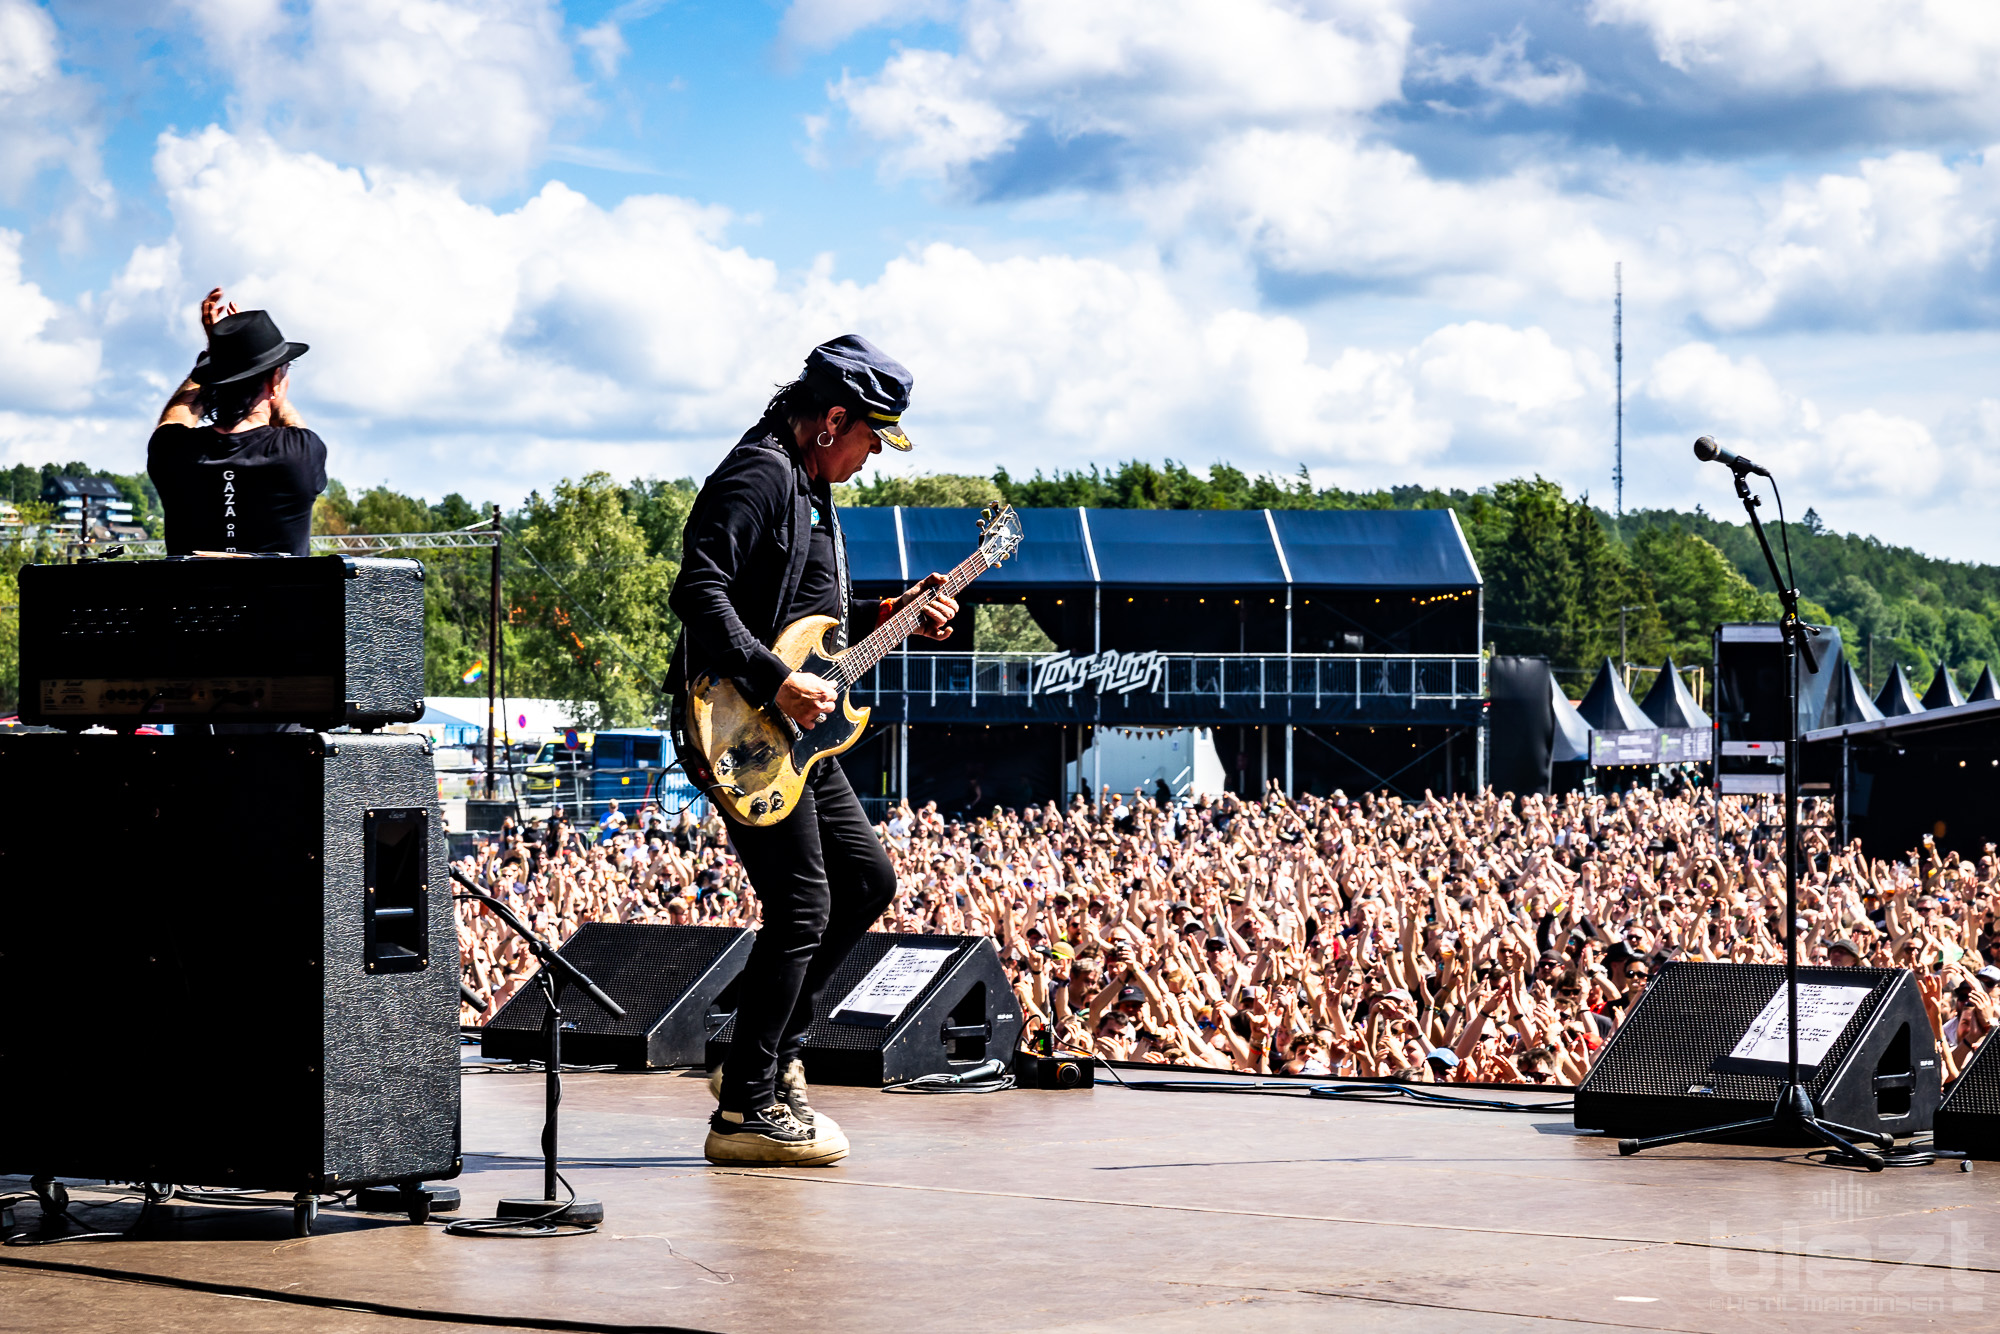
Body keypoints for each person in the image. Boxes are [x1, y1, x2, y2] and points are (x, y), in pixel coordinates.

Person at [669, 334, 957, 1166]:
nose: (873, 457)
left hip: (789, 727)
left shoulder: (809, 486)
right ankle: (747, 1109)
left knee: (867, 880)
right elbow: (699, 589)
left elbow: (802, 616)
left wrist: (886, 617)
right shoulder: (760, 473)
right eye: (872, 438)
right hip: (741, 726)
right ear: (834, 419)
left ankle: (757, 1057)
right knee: (801, 907)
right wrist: (772, 681)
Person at [148, 288, 325, 556]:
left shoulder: (171, 451)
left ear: (212, 382)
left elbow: (178, 414)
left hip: (193, 599)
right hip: (280, 599)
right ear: (274, 382)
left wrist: (216, 356)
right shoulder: (301, 452)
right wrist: (249, 368)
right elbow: (284, 416)